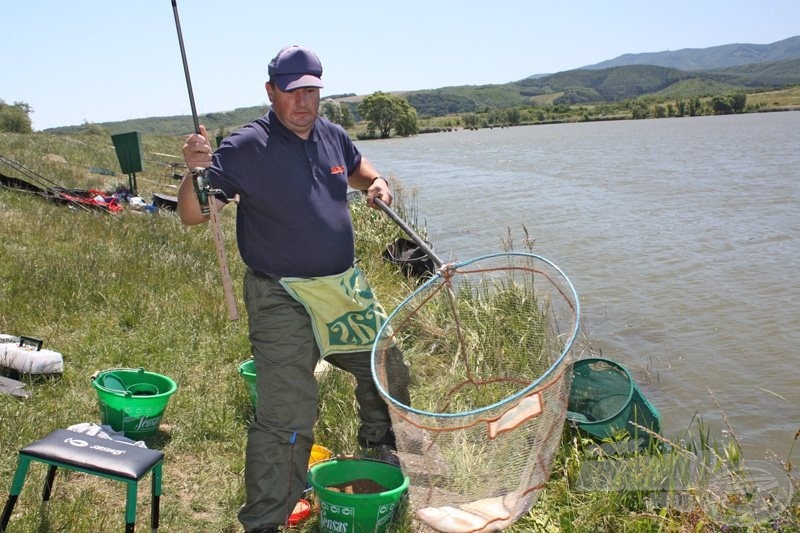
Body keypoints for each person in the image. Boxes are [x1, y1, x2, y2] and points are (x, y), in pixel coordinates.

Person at [179, 45, 400, 533]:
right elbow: (194, 215)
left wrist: (376, 182)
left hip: (342, 288)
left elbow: (357, 164)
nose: (302, 102)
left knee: (386, 365)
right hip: (280, 293)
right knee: (287, 413)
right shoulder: (244, 147)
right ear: (271, 91)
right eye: (291, 90)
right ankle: (265, 520)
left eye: (311, 91)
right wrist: (193, 170)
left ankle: (380, 443)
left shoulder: (332, 136)